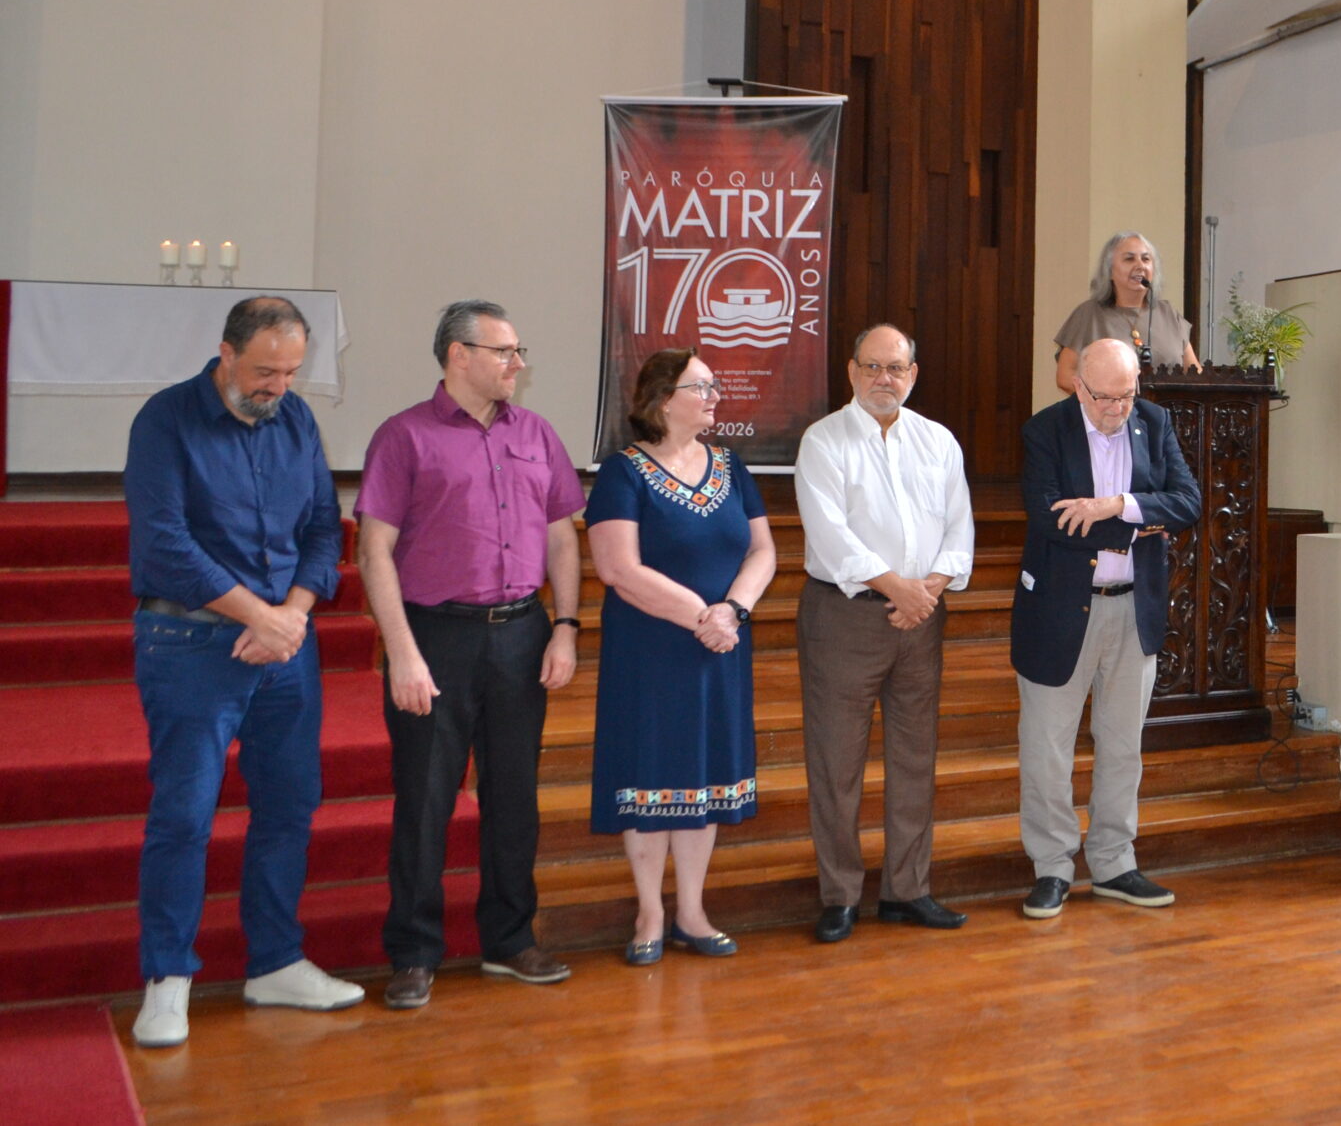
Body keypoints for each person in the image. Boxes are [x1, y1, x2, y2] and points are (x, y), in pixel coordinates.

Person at [123, 297, 365, 1048]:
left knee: (289, 804)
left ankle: (276, 961)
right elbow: (164, 543)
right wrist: (258, 616)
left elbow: (323, 528)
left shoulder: (295, 420)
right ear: (226, 354)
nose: (278, 386)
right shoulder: (166, 420)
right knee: (185, 814)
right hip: (189, 642)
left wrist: (289, 614)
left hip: (285, 647)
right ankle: (168, 977)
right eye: (265, 371)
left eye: (290, 372)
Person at [356, 300, 583, 1009]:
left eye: (518, 351)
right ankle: (414, 951)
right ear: (458, 355)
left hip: (522, 633)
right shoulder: (404, 436)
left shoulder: (536, 433)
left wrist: (567, 626)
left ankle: (510, 940)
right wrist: (402, 652)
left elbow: (561, 536)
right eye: (504, 351)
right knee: (425, 798)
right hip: (436, 636)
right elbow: (373, 549)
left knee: (514, 796)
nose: (518, 363)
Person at [586, 350, 776, 963]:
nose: (715, 396)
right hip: (650, 650)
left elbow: (763, 551)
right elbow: (618, 568)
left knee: (704, 777)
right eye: (702, 387)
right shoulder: (622, 473)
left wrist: (733, 611)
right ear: (665, 399)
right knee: (652, 774)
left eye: (715, 386)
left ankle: (692, 911)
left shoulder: (731, 466)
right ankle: (650, 912)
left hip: (719, 648)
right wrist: (703, 616)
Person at [795, 323, 974, 940]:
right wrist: (901, 589)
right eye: (871, 366)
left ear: (912, 375)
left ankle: (907, 889)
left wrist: (928, 591)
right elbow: (831, 535)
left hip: (921, 618)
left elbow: (960, 527)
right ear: (851, 371)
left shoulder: (938, 441)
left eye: (895, 368)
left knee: (915, 757)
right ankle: (840, 895)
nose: (883, 379)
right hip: (844, 619)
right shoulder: (824, 440)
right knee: (837, 762)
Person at [1012, 337, 1201, 917]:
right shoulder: (1045, 431)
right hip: (1059, 609)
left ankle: (1115, 862)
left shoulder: (1154, 422)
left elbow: (1188, 501)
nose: (1118, 409)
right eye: (1106, 398)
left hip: (1133, 608)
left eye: (1127, 395)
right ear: (1079, 385)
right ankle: (1052, 866)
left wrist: (1113, 505)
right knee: (1047, 748)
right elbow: (1050, 518)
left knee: (1123, 746)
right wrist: (1141, 523)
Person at [1053, 230, 1200, 393]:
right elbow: (1065, 376)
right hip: (1110, 408)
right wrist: (1108, 399)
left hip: (1167, 409)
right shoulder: (1089, 314)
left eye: (1146, 259)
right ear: (1109, 271)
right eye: (1129, 259)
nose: (1140, 266)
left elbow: (1196, 375)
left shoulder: (1169, 314)